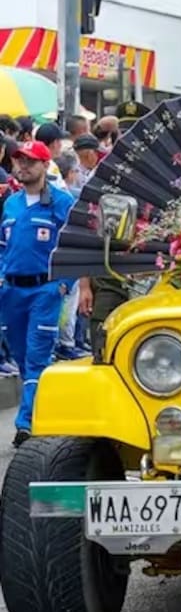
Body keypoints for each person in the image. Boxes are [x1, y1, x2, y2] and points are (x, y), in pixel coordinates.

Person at [0, 141, 75, 446]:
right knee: (20, 356)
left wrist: (64, 284)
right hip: (12, 292)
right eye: (19, 160)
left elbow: (72, 247)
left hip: (45, 290)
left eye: (31, 161)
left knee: (36, 356)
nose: (23, 166)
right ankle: (41, 409)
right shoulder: (11, 203)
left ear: (45, 165)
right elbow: (4, 247)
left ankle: (26, 422)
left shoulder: (61, 202)